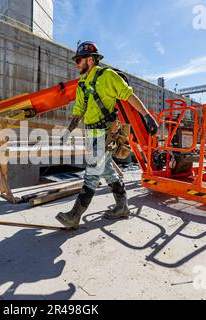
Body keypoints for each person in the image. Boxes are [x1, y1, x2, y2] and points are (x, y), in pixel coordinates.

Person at [56, 41, 158, 230]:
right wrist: (67, 132)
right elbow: (78, 112)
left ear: (90, 59)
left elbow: (128, 95)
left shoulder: (107, 76)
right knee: (108, 171)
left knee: (92, 173)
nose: (76, 63)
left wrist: (147, 116)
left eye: (79, 59)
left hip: (105, 134)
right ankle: (122, 207)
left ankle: (74, 216)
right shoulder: (81, 84)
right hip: (91, 135)